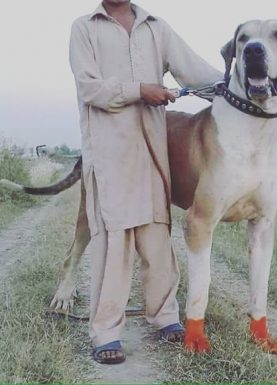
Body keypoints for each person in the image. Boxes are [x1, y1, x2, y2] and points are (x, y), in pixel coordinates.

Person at [69, 0, 222, 364]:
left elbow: (196, 73)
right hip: (109, 149)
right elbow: (90, 89)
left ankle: (165, 315)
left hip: (154, 147)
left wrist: (241, 86)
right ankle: (105, 332)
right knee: (115, 238)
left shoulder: (157, 27)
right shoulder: (84, 28)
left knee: (156, 232)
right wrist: (141, 90)